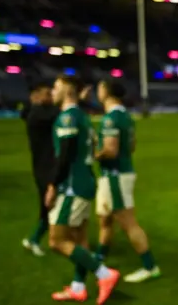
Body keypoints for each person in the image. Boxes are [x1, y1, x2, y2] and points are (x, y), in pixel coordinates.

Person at [46, 75, 120, 304]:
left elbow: (65, 155)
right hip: (86, 181)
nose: (52, 91)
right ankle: (78, 287)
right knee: (80, 241)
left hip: (73, 185)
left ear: (68, 91)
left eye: (56, 87)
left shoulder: (68, 118)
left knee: (57, 240)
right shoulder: (82, 116)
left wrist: (52, 185)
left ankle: (104, 274)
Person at [94, 79, 160, 283]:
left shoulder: (110, 119)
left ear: (106, 91)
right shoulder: (125, 116)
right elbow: (131, 146)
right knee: (105, 219)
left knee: (128, 222)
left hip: (115, 175)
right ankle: (98, 260)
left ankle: (150, 266)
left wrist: (92, 155)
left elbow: (111, 151)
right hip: (119, 174)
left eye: (99, 87)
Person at [21, 83, 60, 256]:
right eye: (47, 95)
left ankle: (56, 238)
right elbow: (55, 115)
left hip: (45, 165)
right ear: (35, 97)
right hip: (44, 167)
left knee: (53, 204)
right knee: (48, 205)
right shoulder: (37, 114)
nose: (51, 98)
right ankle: (34, 239)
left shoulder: (37, 112)